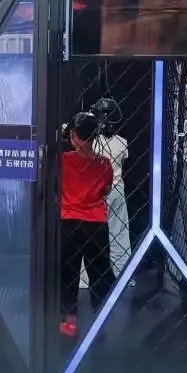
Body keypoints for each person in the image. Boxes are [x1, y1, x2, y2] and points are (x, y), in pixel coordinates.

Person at [60, 112, 115, 338]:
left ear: (73, 135)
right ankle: (100, 318)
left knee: (68, 272)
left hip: (69, 221)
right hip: (95, 223)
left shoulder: (63, 160)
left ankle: (69, 321)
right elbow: (106, 190)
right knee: (99, 272)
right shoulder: (104, 164)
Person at [91, 99, 132, 282]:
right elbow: (122, 163)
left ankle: (85, 278)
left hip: (95, 191)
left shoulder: (91, 142)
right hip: (115, 188)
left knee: (89, 233)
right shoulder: (122, 142)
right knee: (119, 232)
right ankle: (122, 274)